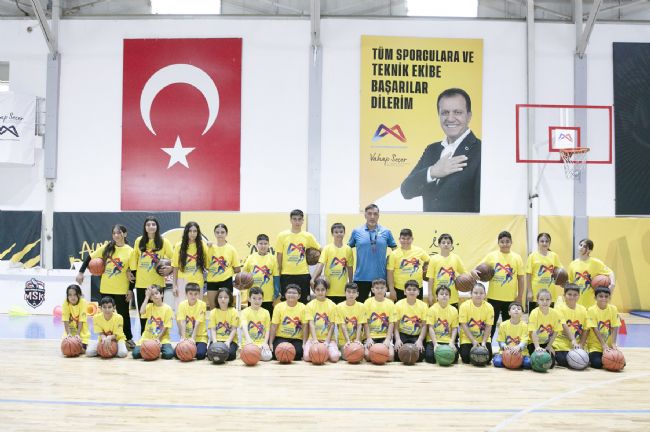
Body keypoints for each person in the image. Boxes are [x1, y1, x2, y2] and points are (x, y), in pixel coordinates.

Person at [400, 87, 481, 213]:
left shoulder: (481, 151)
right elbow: (406, 190)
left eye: (457, 112)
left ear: (469, 116)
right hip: (429, 225)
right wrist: (432, 172)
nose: (450, 118)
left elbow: (481, 209)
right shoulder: (431, 150)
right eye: (445, 113)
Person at [77, 224, 135, 350]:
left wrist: (131, 289)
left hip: (121, 289)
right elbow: (89, 258)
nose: (116, 235)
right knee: (105, 315)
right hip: (106, 288)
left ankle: (128, 338)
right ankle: (104, 337)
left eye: (119, 233)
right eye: (114, 233)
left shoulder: (130, 251)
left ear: (125, 234)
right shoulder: (107, 248)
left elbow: (133, 272)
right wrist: (81, 272)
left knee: (124, 315)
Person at [474, 231, 524, 338]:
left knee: (509, 326)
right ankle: (487, 345)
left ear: (511, 242)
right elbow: (478, 269)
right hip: (493, 298)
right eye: (502, 242)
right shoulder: (491, 256)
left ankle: (508, 347)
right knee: (490, 325)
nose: (505, 244)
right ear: (498, 243)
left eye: (507, 241)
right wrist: (474, 272)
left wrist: (520, 296)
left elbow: (521, 278)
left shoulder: (517, 258)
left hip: (510, 299)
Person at [129, 216, 173, 336]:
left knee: (157, 314)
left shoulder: (164, 242)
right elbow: (134, 259)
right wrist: (130, 271)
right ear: (145, 227)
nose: (151, 227)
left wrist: (170, 269)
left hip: (157, 284)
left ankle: (157, 339)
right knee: (143, 314)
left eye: (153, 224)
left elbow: (174, 258)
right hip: (141, 283)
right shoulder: (139, 241)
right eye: (148, 225)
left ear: (157, 227)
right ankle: (144, 338)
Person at [348, 204, 397, 302]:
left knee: (379, 308)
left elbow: (395, 249)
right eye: (369, 214)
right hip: (361, 278)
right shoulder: (356, 231)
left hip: (380, 278)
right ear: (365, 215)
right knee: (360, 308)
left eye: (375, 214)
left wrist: (391, 259)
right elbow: (347, 249)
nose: (372, 217)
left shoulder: (386, 232)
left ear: (378, 215)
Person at [276, 209, 321, 303]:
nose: (297, 222)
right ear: (290, 220)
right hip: (286, 275)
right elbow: (279, 256)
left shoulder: (308, 236)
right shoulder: (282, 236)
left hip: (303, 274)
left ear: (303, 221)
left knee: (304, 303)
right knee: (287, 303)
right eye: (294, 219)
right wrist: (279, 273)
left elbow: (321, 250)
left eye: (299, 219)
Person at [311, 222, 354, 305]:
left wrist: (351, 282)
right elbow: (320, 264)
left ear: (344, 233)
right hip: (329, 290)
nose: (339, 234)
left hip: (342, 291)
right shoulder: (327, 248)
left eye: (341, 232)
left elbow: (350, 267)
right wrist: (313, 278)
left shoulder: (348, 249)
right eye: (336, 232)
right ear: (332, 234)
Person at [568, 239, 616, 309]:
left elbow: (610, 272)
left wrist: (612, 284)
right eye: (580, 245)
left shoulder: (596, 263)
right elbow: (571, 282)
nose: (581, 247)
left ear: (590, 250)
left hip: (592, 303)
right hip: (577, 302)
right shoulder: (572, 264)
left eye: (585, 246)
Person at [132, 284, 174, 360]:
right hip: (147, 338)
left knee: (169, 354)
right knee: (135, 354)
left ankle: (156, 350)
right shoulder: (149, 306)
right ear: (150, 298)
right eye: (152, 295)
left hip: (162, 339)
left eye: (156, 293)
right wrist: (146, 297)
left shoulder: (168, 309)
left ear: (162, 294)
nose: (155, 296)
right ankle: (153, 350)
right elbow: (141, 312)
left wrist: (158, 339)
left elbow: (166, 327)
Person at [172, 222, 207, 312]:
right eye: (190, 231)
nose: (192, 233)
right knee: (181, 309)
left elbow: (207, 264)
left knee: (196, 310)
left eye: (195, 231)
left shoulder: (202, 246)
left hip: (197, 281)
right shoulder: (179, 246)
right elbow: (175, 266)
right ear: (186, 232)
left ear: (198, 233)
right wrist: (174, 285)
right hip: (182, 281)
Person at [303, 279, 341, 362]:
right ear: (314, 290)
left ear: (326, 291)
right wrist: (315, 340)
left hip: (328, 339)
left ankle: (326, 353)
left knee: (335, 358)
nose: (320, 292)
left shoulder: (332, 305)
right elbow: (311, 324)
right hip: (313, 338)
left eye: (323, 290)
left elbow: (332, 326)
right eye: (318, 290)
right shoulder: (309, 305)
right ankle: (322, 353)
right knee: (306, 357)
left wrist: (327, 342)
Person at [387, 229, 430, 301]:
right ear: (399, 239)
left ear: (412, 239)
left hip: (417, 287)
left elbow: (429, 261)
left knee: (418, 308)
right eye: (403, 238)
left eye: (408, 239)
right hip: (399, 289)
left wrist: (425, 268)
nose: (405, 241)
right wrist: (391, 289)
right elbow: (390, 272)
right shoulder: (393, 254)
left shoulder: (419, 250)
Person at [242, 234, 280, 316]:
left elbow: (276, 277)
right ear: (256, 245)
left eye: (265, 244)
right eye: (261, 243)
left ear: (269, 245)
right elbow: (243, 275)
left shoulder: (273, 258)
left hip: (268, 296)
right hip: (253, 296)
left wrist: (276, 293)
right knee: (252, 318)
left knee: (267, 318)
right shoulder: (250, 258)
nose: (263, 246)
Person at [553, 284, 589, 368]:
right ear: (564, 295)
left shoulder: (583, 310)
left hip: (577, 344)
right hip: (561, 344)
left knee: (584, 360)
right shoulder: (559, 308)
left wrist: (581, 344)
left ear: (579, 296)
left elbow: (586, 329)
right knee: (564, 361)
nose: (572, 297)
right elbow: (564, 325)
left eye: (575, 295)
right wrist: (573, 340)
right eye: (569, 294)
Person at [426, 233, 466, 307]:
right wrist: (430, 294)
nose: (446, 244)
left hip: (453, 297)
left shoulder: (456, 258)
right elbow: (431, 279)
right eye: (443, 242)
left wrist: (471, 277)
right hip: (438, 297)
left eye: (448, 243)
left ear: (451, 245)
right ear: (439, 245)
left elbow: (464, 273)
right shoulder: (433, 259)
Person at [206, 223, 241, 309]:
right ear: (214, 233)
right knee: (213, 308)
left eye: (222, 232)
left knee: (226, 308)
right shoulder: (210, 248)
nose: (220, 234)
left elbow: (237, 269)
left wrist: (226, 271)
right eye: (217, 232)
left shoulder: (231, 249)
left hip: (226, 281)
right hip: (212, 280)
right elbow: (207, 266)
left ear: (226, 233)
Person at [269, 284, 308, 360]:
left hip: (297, 339)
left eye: (294, 293)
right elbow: (274, 326)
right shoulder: (278, 307)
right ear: (285, 295)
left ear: (299, 296)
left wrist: (304, 343)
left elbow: (305, 326)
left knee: (298, 353)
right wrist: (270, 343)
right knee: (277, 352)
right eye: (289, 292)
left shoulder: (303, 307)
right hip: (281, 337)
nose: (291, 295)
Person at [525, 233, 563, 310]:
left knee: (549, 315)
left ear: (549, 243)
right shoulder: (532, 256)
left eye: (547, 241)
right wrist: (529, 291)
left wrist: (562, 281)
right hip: (536, 292)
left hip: (550, 292)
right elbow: (528, 275)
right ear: (538, 242)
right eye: (542, 241)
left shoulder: (554, 256)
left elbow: (559, 271)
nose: (544, 243)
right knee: (534, 315)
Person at [586, 287, 621, 369]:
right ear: (595, 298)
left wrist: (613, 343)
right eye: (601, 296)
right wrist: (603, 345)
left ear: (609, 298)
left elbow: (615, 326)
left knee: (620, 363)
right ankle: (589, 356)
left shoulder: (613, 309)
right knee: (597, 364)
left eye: (606, 296)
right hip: (595, 347)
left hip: (609, 346)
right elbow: (595, 329)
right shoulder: (591, 310)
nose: (603, 298)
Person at [459, 283, 494, 364]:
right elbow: (464, 325)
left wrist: (484, 342)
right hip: (467, 339)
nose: (478, 295)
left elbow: (488, 326)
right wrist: (473, 341)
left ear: (485, 295)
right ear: (471, 294)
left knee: (487, 359)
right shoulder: (464, 306)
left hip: (483, 339)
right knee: (466, 358)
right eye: (475, 293)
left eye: (481, 293)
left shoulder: (489, 307)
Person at [393, 280, 428, 362]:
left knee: (420, 356)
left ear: (418, 292)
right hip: (402, 334)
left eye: (414, 290)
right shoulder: (398, 305)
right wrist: (397, 340)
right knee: (397, 355)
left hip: (416, 335)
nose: (411, 291)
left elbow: (424, 326)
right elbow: (396, 326)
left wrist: (420, 340)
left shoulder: (424, 306)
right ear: (404, 292)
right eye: (409, 289)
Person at [527, 289, 562, 368]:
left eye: (547, 299)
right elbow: (533, 332)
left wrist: (549, 346)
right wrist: (537, 347)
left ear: (551, 301)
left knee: (551, 364)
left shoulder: (555, 313)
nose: (545, 302)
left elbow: (556, 331)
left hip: (546, 343)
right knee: (537, 362)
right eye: (541, 299)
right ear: (537, 301)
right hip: (533, 343)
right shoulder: (534, 313)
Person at [363, 279, 397, 362]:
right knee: (367, 356)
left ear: (386, 289)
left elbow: (391, 323)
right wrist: (368, 338)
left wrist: (388, 339)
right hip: (371, 336)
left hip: (384, 336)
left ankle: (378, 356)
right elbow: (365, 322)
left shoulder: (390, 303)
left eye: (382, 288)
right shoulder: (367, 302)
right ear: (372, 290)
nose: (379, 290)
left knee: (390, 356)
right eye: (377, 288)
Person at [424, 285, 459, 364]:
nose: (444, 296)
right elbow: (430, 328)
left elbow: (454, 328)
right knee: (430, 357)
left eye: (446, 294)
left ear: (450, 297)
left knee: (455, 358)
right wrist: (435, 344)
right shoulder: (432, 309)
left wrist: (452, 342)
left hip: (447, 340)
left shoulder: (454, 310)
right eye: (441, 294)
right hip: (434, 340)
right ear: (437, 296)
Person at [175, 282, 208, 361]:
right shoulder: (182, 305)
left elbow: (197, 323)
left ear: (199, 294)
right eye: (190, 294)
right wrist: (183, 338)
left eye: (195, 294)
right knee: (176, 354)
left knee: (200, 355)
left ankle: (201, 348)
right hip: (187, 337)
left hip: (200, 337)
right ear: (186, 294)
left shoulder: (202, 304)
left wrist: (193, 338)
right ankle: (189, 351)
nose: (193, 296)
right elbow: (182, 322)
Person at [492, 302, 530, 369]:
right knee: (497, 362)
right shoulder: (503, 325)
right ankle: (510, 362)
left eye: (519, 309)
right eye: (513, 308)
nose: (516, 310)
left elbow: (525, 340)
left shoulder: (525, 326)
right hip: (506, 352)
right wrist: (504, 346)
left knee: (528, 364)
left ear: (522, 313)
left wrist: (518, 347)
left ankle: (514, 362)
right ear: (509, 312)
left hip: (521, 353)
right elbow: (500, 340)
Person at [335, 283, 367, 358]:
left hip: (357, 340)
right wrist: (348, 341)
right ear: (345, 293)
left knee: (362, 355)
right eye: (349, 292)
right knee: (348, 356)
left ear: (357, 294)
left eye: (353, 292)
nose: (351, 294)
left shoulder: (361, 306)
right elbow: (342, 326)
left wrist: (357, 340)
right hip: (344, 341)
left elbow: (359, 325)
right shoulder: (339, 307)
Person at [240, 287, 272, 361]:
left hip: (261, 344)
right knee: (250, 353)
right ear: (249, 299)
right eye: (254, 298)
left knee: (268, 356)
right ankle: (252, 355)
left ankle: (254, 355)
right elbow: (244, 326)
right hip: (248, 342)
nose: (257, 301)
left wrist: (265, 343)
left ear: (263, 299)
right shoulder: (244, 312)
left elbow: (267, 330)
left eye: (259, 298)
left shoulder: (266, 312)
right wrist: (248, 340)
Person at [208, 288, 240, 361]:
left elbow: (234, 330)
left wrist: (228, 342)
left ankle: (235, 348)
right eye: (220, 297)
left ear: (229, 299)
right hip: (217, 339)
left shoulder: (234, 312)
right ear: (217, 299)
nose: (223, 299)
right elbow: (213, 329)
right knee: (211, 355)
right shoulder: (213, 312)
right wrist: (215, 342)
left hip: (230, 340)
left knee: (231, 355)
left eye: (226, 297)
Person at [61, 284, 90, 351]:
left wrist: (78, 335)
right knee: (66, 350)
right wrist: (68, 334)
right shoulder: (65, 303)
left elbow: (81, 320)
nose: (72, 297)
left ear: (79, 295)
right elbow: (65, 320)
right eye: (70, 295)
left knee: (80, 350)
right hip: (70, 330)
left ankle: (84, 344)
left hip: (81, 332)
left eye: (75, 294)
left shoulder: (83, 302)